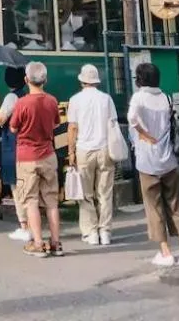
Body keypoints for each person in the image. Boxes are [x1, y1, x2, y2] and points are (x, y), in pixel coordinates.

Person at [126, 61, 179, 267]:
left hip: (147, 161)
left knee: (154, 207)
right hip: (168, 159)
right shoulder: (165, 97)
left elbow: (131, 118)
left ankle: (166, 253)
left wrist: (144, 135)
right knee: (175, 204)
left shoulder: (138, 97)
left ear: (139, 79)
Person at [7, 61, 62, 257]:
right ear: (45, 80)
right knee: (52, 201)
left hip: (27, 158)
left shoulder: (22, 103)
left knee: (31, 201)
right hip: (48, 155)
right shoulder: (52, 101)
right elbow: (56, 124)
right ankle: (55, 243)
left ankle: (38, 243)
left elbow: (13, 128)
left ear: (26, 79)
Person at [66, 63, 116, 246]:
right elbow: (113, 124)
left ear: (82, 81)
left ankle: (91, 232)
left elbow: (72, 127)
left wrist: (71, 152)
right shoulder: (106, 99)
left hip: (84, 150)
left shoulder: (75, 100)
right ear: (96, 81)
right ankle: (105, 232)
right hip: (105, 149)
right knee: (105, 193)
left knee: (86, 194)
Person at [0, 65, 32, 243]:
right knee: (28, 189)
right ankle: (32, 225)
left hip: (13, 145)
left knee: (17, 188)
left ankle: (25, 227)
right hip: (26, 145)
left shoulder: (11, 97)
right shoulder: (26, 95)